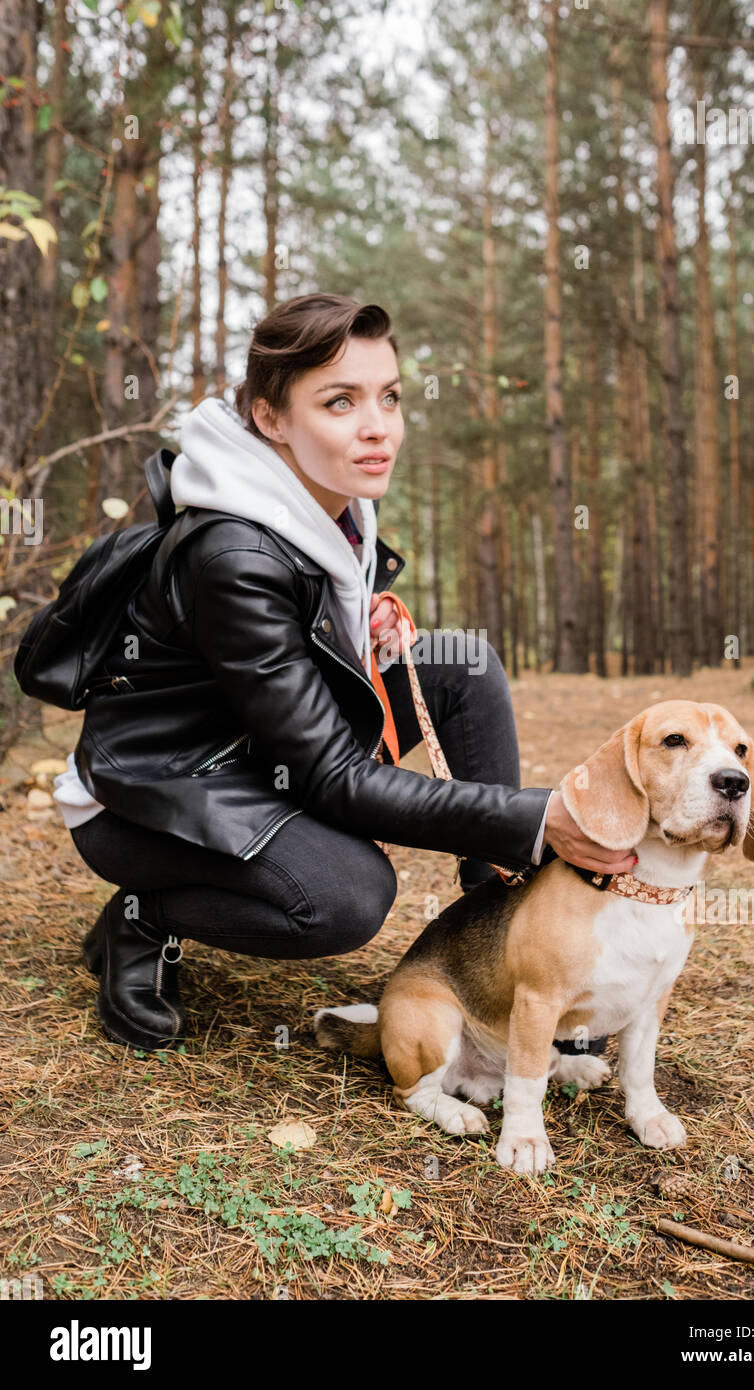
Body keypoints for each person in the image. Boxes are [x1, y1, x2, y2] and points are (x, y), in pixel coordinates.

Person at [55, 292, 636, 1051]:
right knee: (345, 897)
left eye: (389, 397)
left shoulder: (329, 502)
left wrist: (357, 631)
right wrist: (533, 819)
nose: (378, 427)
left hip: (256, 754)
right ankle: (141, 919)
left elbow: (288, 657)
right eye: (340, 401)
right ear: (271, 418)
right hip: (153, 796)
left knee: (463, 666)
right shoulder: (233, 553)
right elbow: (330, 778)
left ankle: (504, 934)